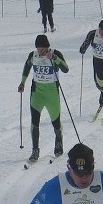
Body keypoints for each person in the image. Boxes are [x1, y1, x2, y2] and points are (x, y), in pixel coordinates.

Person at [17, 34, 69, 163]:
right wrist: (22, 82)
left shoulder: (55, 53)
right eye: (38, 48)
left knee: (55, 121)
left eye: (42, 48)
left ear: (47, 47)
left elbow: (66, 69)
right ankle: (35, 150)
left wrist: (55, 58)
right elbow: (27, 67)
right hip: (37, 93)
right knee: (34, 122)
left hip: (52, 94)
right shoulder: (33, 55)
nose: (40, 50)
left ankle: (58, 142)